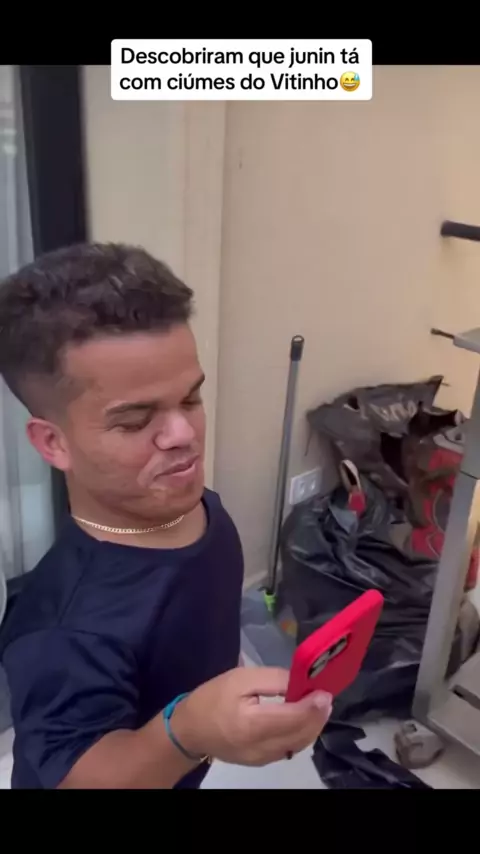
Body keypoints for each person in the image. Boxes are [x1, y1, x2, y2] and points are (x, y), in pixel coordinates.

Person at [0, 242, 331, 789]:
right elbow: (82, 777)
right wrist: (190, 730)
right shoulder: (63, 629)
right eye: (135, 421)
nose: (183, 435)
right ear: (53, 443)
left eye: (191, 399)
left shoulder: (197, 506)